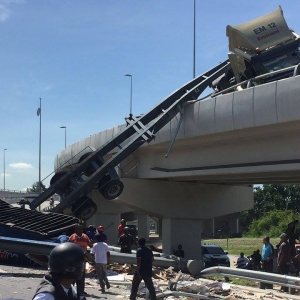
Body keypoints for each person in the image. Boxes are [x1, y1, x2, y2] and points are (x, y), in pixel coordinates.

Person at [68, 224, 91, 297]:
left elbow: (89, 246)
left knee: (81, 277)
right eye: (79, 229)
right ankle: (70, 291)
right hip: (74, 260)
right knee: (72, 276)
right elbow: (69, 247)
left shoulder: (86, 237)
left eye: (82, 229)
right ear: (76, 230)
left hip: (82, 260)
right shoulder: (72, 237)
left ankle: (80, 291)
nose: (81, 231)